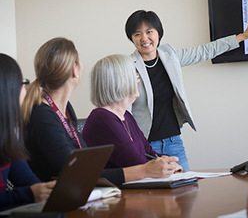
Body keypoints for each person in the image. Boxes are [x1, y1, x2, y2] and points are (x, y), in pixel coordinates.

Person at [22, 37, 182, 186]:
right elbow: (76, 173)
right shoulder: (42, 115)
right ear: (74, 70)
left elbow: (85, 168)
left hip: (76, 194)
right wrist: (146, 170)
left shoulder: (66, 108)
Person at [125, 10, 248, 171]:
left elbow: (204, 51)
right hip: (145, 146)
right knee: (150, 194)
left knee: (185, 191)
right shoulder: (127, 67)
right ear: (131, 38)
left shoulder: (170, 55)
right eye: (137, 34)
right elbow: (123, 112)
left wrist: (242, 37)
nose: (144, 38)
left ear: (159, 33)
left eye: (149, 31)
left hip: (174, 142)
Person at [82, 54, 182, 173]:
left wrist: (168, 161)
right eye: (134, 73)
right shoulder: (102, 118)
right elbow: (137, 163)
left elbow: (149, 153)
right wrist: (164, 165)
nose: (138, 78)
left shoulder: (125, 115)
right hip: (116, 190)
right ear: (119, 81)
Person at [0, 53, 55, 209]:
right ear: (7, 90)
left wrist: (49, 191)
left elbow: (28, 181)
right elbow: (30, 190)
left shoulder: (7, 137)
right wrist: (29, 194)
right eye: (22, 83)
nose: (26, 90)